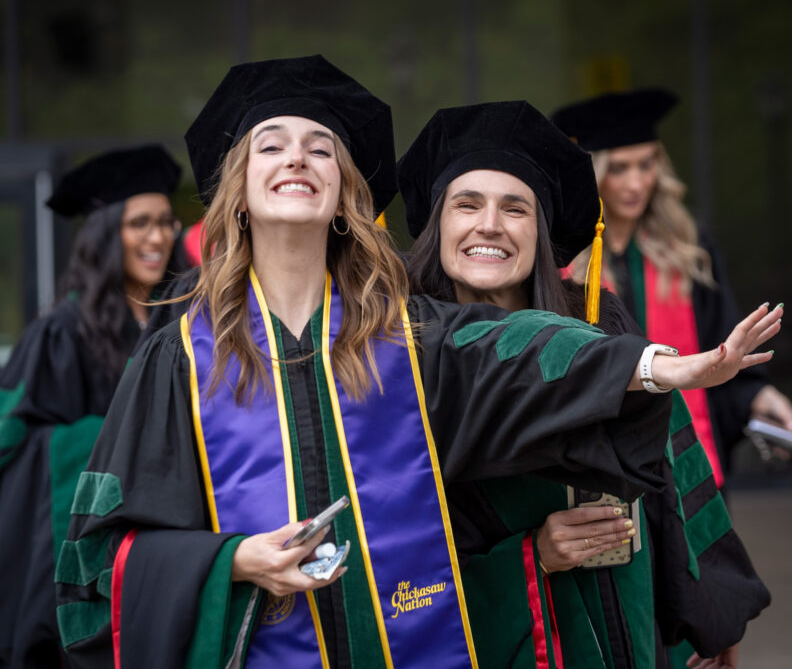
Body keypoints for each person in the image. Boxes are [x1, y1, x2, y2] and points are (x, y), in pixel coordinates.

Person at [55, 57, 778, 669]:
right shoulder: (178, 359)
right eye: (271, 146)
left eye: (319, 148)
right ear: (237, 193)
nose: (298, 159)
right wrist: (233, 563)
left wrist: (655, 367)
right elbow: (96, 565)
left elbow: (515, 350)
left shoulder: (411, 340)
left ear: (346, 197)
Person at [398, 101, 773, 669]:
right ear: (438, 223)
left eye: (516, 208)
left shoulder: (602, 322)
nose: (490, 225)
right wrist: (534, 555)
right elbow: (399, 542)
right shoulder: (401, 346)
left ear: (542, 233)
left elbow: (674, 473)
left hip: (626, 610)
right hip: (507, 630)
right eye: (467, 204)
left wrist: (711, 615)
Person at [552, 88, 792, 486]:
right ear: (595, 173)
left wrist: (764, 400)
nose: (636, 183)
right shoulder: (563, 260)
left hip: (689, 461)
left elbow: (720, 346)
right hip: (602, 466)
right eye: (619, 168)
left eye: (646, 165)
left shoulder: (688, 248)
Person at [0, 145, 182, 668]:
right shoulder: (62, 332)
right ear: (106, 237)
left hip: (164, 539)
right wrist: (110, 441)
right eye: (139, 223)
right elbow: (17, 441)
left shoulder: (186, 322)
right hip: (84, 552)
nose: (157, 237)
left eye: (166, 222)